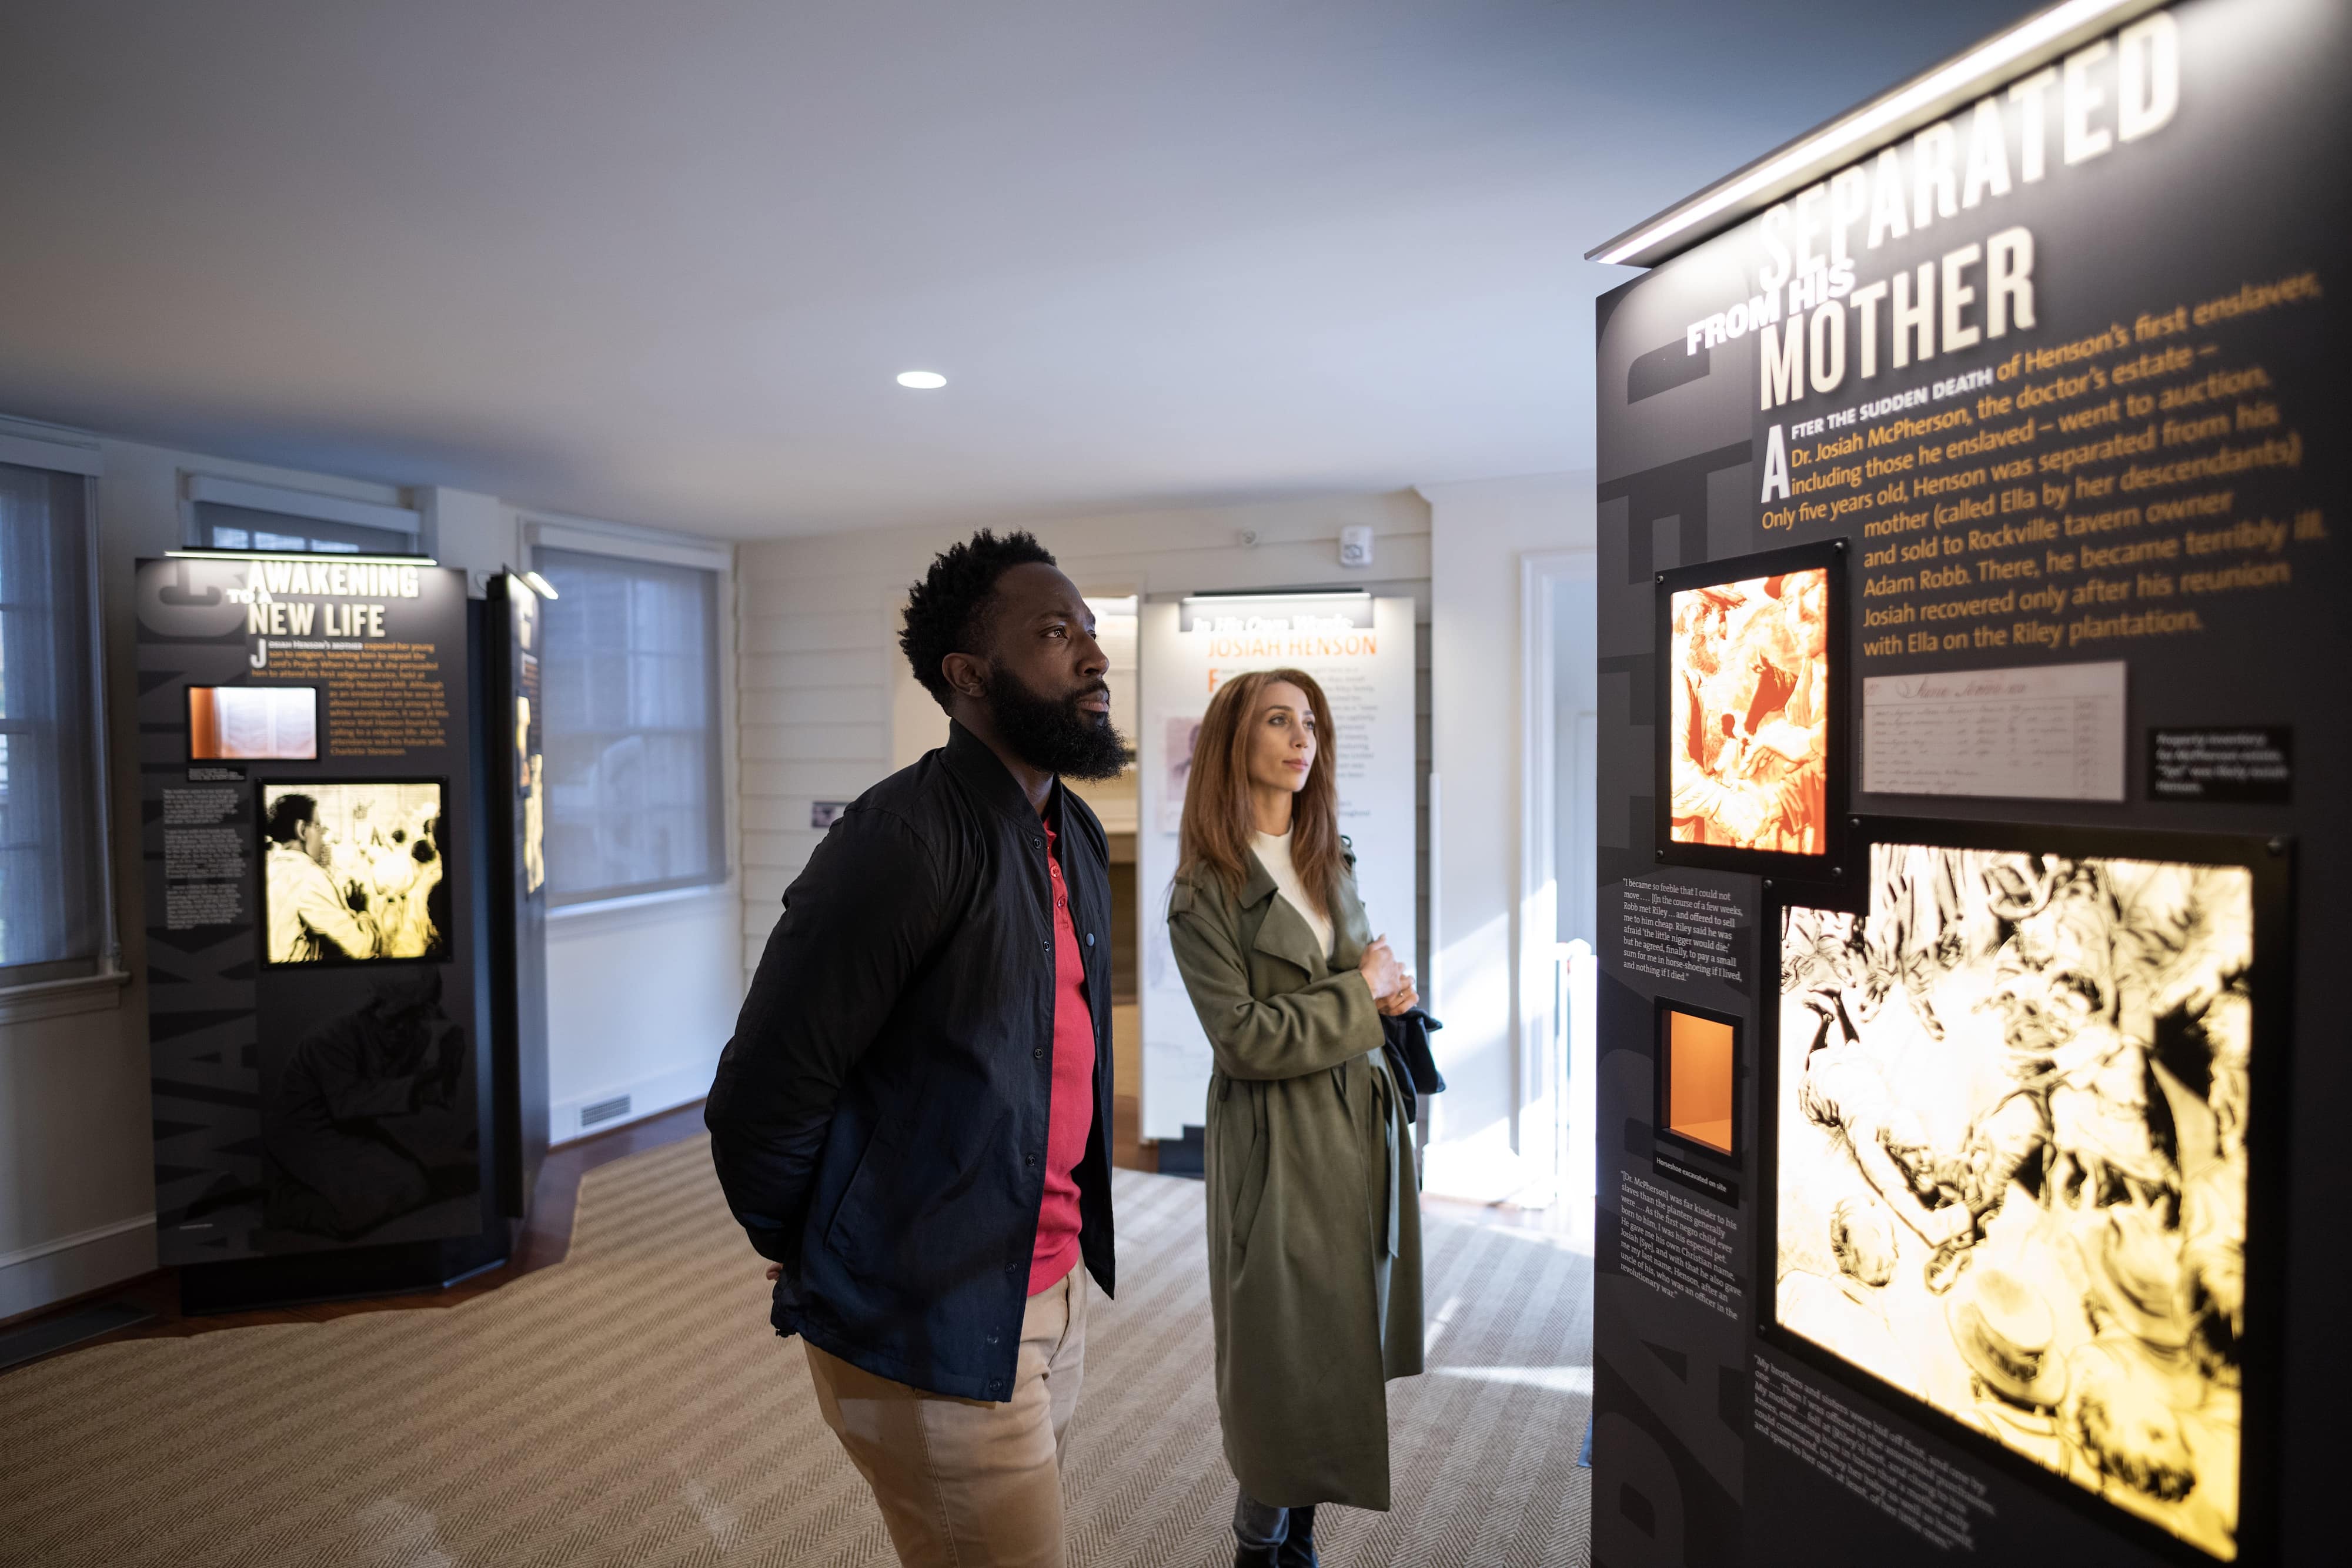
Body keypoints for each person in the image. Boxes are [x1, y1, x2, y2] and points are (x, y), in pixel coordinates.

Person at [706, 530, 1127, 1568]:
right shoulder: (901, 839)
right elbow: (764, 1091)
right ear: (969, 676)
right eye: (1055, 631)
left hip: (1047, 1289)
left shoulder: (1064, 826)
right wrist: (827, 1248)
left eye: (1091, 629)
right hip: (933, 1316)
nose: (1094, 655)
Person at [1165, 667, 1424, 1568]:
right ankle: (1259, 1544)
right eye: (1279, 720)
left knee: (1342, 1335)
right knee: (1283, 1356)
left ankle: (1298, 1535)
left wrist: (1388, 996)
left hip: (1360, 1121)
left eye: (1308, 721)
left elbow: (1354, 973)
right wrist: (1360, 995)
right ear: (1237, 741)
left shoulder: (1328, 853)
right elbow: (1243, 1038)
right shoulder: (1202, 892)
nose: (1300, 737)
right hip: (1279, 1138)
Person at [265, 970, 467, 1236]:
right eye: (398, 1015)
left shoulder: (413, 1036)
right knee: (388, 1196)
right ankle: (285, 1205)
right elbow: (348, 1102)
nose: (404, 1027)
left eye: (416, 1015)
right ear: (377, 1006)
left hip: (350, 1130)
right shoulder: (331, 1038)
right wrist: (418, 1091)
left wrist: (443, 1064)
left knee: (416, 1184)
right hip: (305, 1134)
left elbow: (421, 1084)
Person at [264, 792, 378, 962]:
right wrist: (362, 911)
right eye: (318, 827)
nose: (322, 839)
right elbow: (362, 947)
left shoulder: (269, 870)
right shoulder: (306, 875)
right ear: (302, 830)